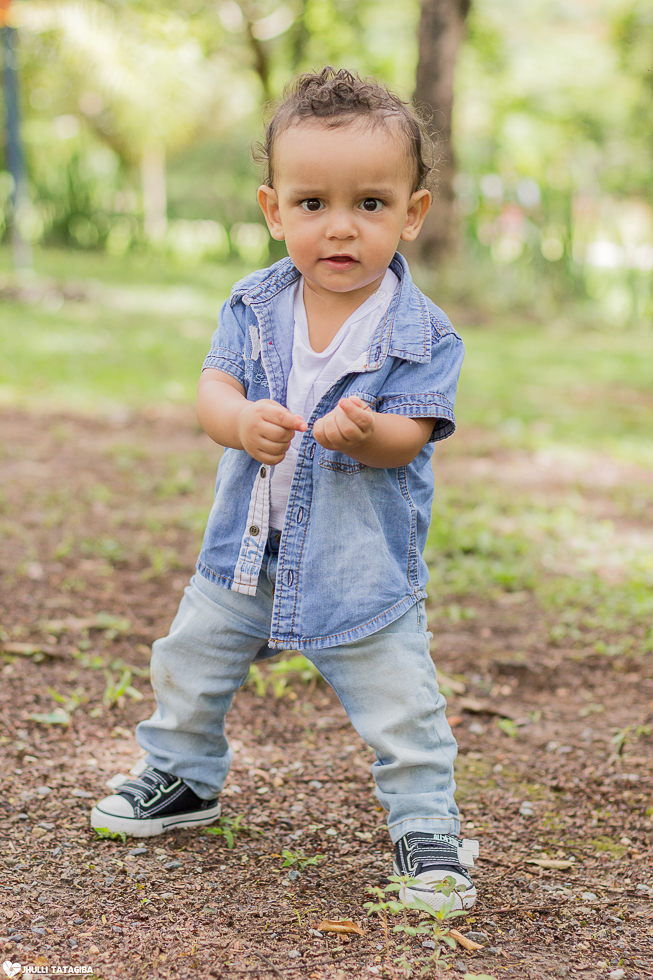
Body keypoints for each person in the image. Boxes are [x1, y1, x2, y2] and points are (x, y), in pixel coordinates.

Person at [90, 67, 479, 912]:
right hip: (245, 554)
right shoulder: (254, 303)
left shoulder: (422, 333)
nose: (339, 227)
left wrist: (366, 435)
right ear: (274, 210)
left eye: (369, 204)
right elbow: (213, 390)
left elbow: (411, 434)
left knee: (401, 704)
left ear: (412, 212)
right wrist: (238, 421)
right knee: (189, 663)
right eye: (311, 204)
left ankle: (427, 827)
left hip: (357, 568)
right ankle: (183, 776)